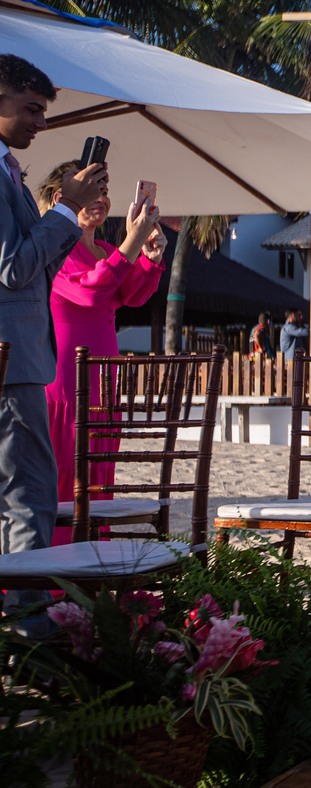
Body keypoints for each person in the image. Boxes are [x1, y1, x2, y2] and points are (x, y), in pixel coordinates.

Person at [0, 54, 106, 631]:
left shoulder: (9, 169)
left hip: (20, 358)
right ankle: (28, 639)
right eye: (31, 108)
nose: (42, 121)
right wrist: (63, 208)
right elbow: (13, 269)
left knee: (24, 496)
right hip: (11, 364)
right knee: (29, 497)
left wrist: (73, 224)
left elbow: (30, 270)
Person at [35, 161, 165, 548]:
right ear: (64, 198)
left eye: (105, 190)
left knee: (97, 486)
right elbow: (90, 290)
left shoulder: (104, 249)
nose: (103, 199)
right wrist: (131, 243)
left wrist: (149, 256)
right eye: (94, 190)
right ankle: (56, 584)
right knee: (63, 485)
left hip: (102, 391)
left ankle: (92, 578)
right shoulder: (55, 247)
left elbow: (131, 295)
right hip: (63, 390)